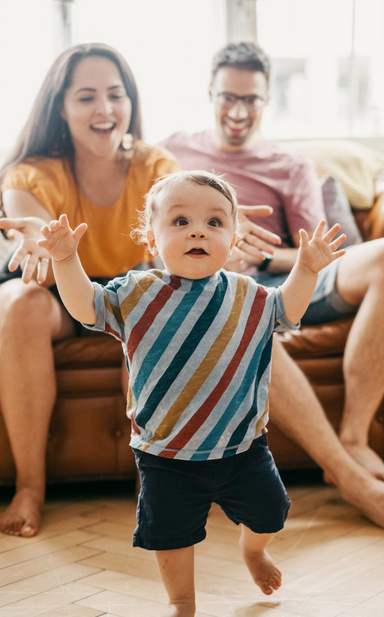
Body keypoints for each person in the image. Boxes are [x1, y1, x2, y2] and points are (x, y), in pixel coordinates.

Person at [0, 41, 297, 539]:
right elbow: (24, 221)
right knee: (18, 301)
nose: (105, 109)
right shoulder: (34, 169)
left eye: (116, 94)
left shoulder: (153, 164)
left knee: (160, 306)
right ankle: (30, 486)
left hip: (135, 291)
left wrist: (222, 226)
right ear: (61, 107)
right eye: (86, 96)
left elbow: (190, 215)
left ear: (131, 103)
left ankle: (160, 483)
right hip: (61, 288)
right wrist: (25, 235)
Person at [37, 169, 346, 614]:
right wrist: (67, 261)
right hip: (166, 453)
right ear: (150, 239)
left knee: (270, 514)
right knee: (172, 535)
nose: (198, 230)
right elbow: (86, 306)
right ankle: (181, 601)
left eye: (215, 223)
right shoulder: (135, 293)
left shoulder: (251, 295)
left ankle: (253, 551)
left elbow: (288, 310)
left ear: (233, 237)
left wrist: (307, 267)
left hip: (243, 447)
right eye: (180, 221)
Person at [159, 41, 384, 535]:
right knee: (242, 310)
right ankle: (351, 480)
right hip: (220, 287)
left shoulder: (290, 165)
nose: (239, 111)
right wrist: (219, 250)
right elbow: (154, 233)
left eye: (251, 100)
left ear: (266, 101)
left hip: (287, 276)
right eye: (228, 97)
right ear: (209, 94)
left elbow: (320, 248)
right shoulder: (173, 152)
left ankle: (353, 437)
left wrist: (261, 252)